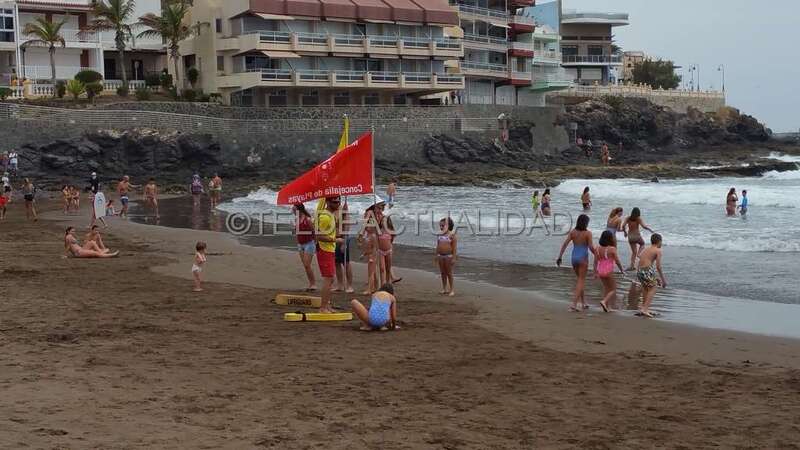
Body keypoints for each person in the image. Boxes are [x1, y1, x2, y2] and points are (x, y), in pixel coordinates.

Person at [557, 214, 593, 312]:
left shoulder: (573, 232)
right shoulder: (588, 233)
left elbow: (565, 244)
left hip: (574, 258)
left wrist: (560, 257)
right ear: (585, 223)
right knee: (581, 281)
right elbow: (591, 247)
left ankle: (584, 302)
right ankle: (574, 305)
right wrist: (598, 254)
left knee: (580, 281)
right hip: (583, 258)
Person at [316, 196, 342, 313]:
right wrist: (334, 240)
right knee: (328, 278)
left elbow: (331, 232)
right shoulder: (325, 217)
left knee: (331, 279)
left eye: (338, 202)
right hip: (324, 250)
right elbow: (318, 235)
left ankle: (327, 305)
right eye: (335, 202)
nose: (337, 204)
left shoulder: (331, 215)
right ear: (328, 202)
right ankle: (323, 307)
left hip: (329, 249)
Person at [636, 234, 667, 318]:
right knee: (653, 288)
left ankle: (643, 308)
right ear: (659, 241)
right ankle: (645, 309)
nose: (661, 244)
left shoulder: (646, 249)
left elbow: (644, 262)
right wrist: (663, 280)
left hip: (640, 270)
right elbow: (658, 266)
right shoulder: (658, 250)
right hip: (647, 270)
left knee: (646, 289)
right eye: (661, 242)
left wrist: (655, 277)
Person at [595, 230, 625, 312]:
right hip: (608, 271)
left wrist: (595, 272)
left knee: (606, 288)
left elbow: (595, 261)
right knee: (613, 289)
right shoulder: (612, 249)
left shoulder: (597, 248)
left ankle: (607, 307)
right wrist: (622, 270)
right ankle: (604, 301)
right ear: (610, 239)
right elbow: (617, 261)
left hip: (600, 270)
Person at [293, 203, 317, 292]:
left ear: (299, 210)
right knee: (306, 266)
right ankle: (311, 283)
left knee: (307, 264)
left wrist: (316, 242)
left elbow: (314, 231)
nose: (293, 212)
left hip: (309, 244)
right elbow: (297, 232)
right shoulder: (297, 219)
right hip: (300, 244)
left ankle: (313, 284)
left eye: (294, 210)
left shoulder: (308, 219)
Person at [435, 217, 457, 296]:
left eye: (443, 226)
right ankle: (444, 288)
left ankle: (451, 289)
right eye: (440, 226)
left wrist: (454, 258)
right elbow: (438, 245)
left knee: (449, 273)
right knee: (442, 273)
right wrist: (436, 255)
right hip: (440, 256)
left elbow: (454, 248)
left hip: (448, 256)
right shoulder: (439, 235)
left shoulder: (452, 235)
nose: (441, 227)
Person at [334, 211, 354, 294]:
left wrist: (344, 242)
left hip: (343, 238)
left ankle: (350, 285)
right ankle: (340, 285)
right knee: (336, 263)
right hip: (334, 238)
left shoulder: (343, 210)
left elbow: (347, 226)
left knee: (346, 263)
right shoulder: (331, 210)